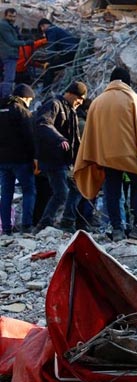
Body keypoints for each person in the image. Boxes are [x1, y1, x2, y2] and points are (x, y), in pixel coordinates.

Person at [74, 67, 137, 242]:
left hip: (107, 156)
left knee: (112, 191)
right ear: (127, 82)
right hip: (131, 155)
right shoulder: (135, 100)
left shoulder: (97, 102)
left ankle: (117, 229)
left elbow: (90, 133)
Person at [34, 81, 87, 233]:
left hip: (64, 162)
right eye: (80, 98)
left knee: (77, 188)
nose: (80, 102)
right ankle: (44, 225)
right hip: (53, 159)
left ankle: (67, 221)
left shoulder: (71, 111)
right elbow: (43, 123)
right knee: (61, 193)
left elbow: (75, 141)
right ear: (71, 94)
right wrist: (59, 139)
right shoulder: (54, 104)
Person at [0, 84, 36, 235]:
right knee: (29, 191)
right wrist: (35, 157)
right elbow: (30, 137)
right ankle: (27, 226)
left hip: (2, 161)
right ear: (25, 97)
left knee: (6, 193)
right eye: (30, 100)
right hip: (21, 160)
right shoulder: (22, 111)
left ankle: (6, 228)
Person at [37, 18, 80, 89]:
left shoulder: (50, 30)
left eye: (42, 30)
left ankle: (44, 90)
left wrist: (48, 61)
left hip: (68, 52)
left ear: (43, 26)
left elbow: (51, 47)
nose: (43, 33)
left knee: (50, 68)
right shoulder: (57, 29)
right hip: (73, 51)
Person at [0, 9, 32, 99]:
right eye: (10, 16)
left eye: (14, 16)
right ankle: (5, 98)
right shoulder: (3, 25)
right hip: (8, 55)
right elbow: (11, 42)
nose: (12, 18)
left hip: (7, 54)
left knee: (6, 78)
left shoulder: (8, 25)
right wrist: (25, 42)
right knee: (9, 78)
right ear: (5, 16)